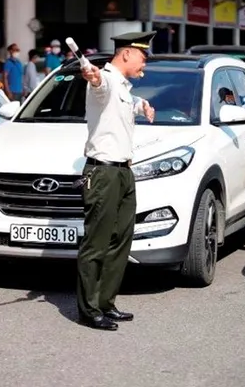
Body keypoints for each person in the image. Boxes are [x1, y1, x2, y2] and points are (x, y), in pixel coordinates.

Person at [76, 30, 156, 331]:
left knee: (121, 240)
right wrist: (93, 76)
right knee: (96, 243)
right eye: (142, 57)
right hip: (103, 173)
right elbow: (99, 84)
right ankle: (89, 309)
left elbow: (126, 102)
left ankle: (106, 302)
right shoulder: (106, 80)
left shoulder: (123, 87)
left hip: (123, 172)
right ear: (127, 53)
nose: (144, 64)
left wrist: (142, 105)